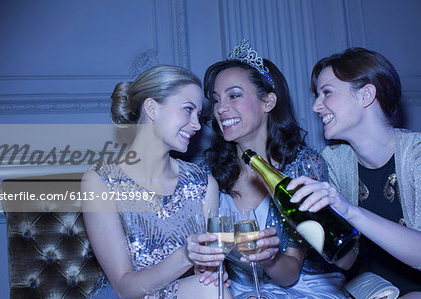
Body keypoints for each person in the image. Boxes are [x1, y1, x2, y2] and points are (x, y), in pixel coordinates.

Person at [202, 40, 346, 299]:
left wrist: (267, 258)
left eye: (234, 95)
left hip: (303, 288)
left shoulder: (304, 166)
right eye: (216, 100)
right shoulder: (207, 171)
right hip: (234, 290)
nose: (220, 109)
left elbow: (290, 273)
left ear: (268, 102)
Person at [82, 64, 233, 299]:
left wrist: (211, 273)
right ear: (152, 108)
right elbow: (123, 288)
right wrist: (185, 256)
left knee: (213, 288)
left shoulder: (202, 184)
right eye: (187, 109)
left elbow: (206, 269)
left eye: (199, 116)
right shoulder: (100, 182)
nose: (196, 125)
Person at [288, 47, 421, 297]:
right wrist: (316, 227)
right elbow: (347, 261)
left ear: (366, 95)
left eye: (326, 92)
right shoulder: (334, 162)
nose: (317, 106)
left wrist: (350, 211)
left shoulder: (416, 155)